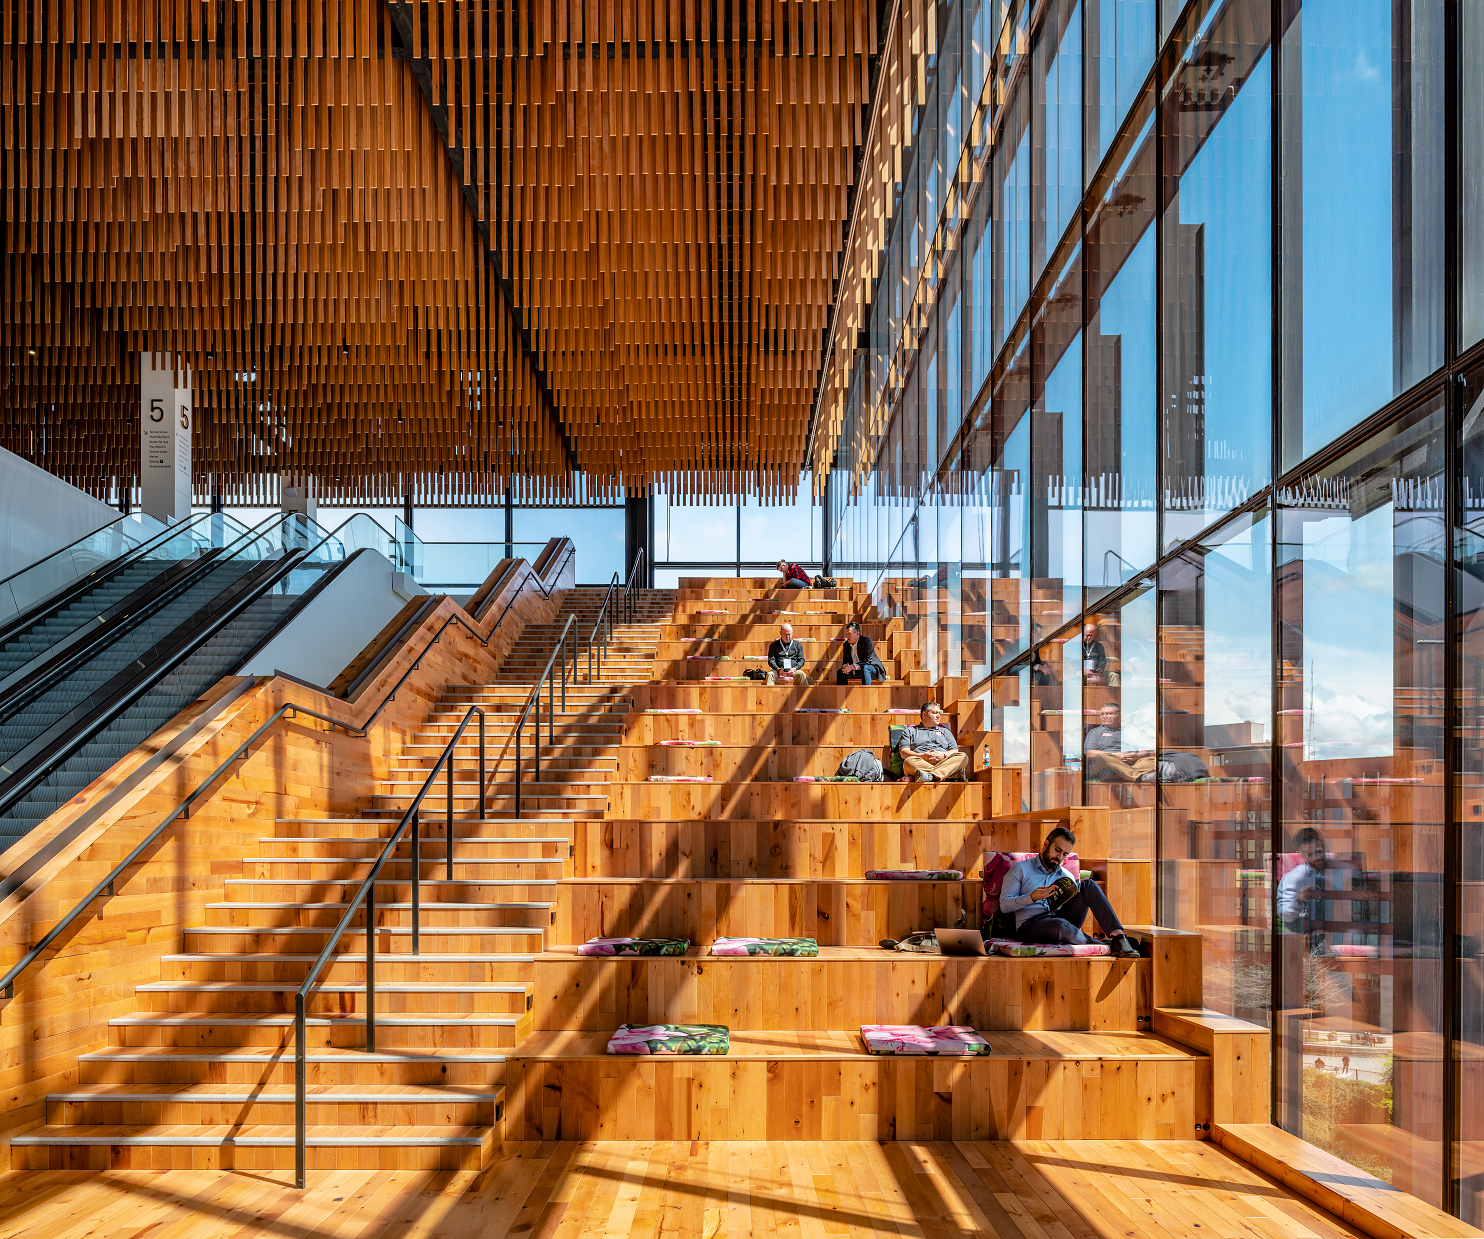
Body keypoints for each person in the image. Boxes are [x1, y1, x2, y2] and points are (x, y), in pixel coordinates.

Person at [999, 825, 1141, 958]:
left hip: (1061, 920)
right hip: (1030, 926)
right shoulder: (1020, 869)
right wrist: (1032, 897)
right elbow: (1004, 906)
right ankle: (1106, 945)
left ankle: (1118, 936)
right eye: (1057, 850)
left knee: (1088, 885)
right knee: (1060, 925)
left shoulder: (1066, 876)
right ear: (1046, 844)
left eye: (1065, 854)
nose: (1059, 858)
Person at [1279, 826, 1358, 947]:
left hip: (1345, 928)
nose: (1317, 857)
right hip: (1311, 935)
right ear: (1301, 853)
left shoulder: (1346, 870)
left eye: (1319, 851)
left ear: (1324, 845)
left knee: (1356, 935)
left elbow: (1361, 905)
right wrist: (1299, 901)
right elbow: (1285, 916)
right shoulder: (1292, 878)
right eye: (1311, 854)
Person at [1083, 702, 1155, 782]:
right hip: (1106, 765)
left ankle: (1118, 776)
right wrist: (1116, 755)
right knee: (1104, 756)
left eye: (1109, 714)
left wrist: (1134, 756)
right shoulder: (1095, 732)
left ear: (1119, 715)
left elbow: (1143, 751)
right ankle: (1140, 777)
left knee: (1153, 761)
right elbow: (1089, 753)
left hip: (1129, 763)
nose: (1105, 716)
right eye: (1102, 714)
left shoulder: (1129, 731)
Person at [897, 702, 969, 782]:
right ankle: (950, 775)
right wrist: (922, 755)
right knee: (908, 762)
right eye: (935, 713)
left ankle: (929, 776)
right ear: (924, 715)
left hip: (944, 762)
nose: (938, 716)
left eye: (939, 713)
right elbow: (903, 753)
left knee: (963, 756)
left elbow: (955, 750)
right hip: (921, 762)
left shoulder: (945, 731)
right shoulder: (909, 731)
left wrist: (943, 755)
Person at [837, 621, 886, 686]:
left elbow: (868, 660)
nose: (847, 636)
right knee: (840, 672)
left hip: (872, 669)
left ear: (857, 634)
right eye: (846, 634)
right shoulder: (846, 645)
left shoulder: (866, 641)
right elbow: (845, 661)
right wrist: (845, 667)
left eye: (849, 634)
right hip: (857, 671)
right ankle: (843, 695)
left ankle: (866, 694)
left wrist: (852, 666)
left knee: (865, 668)